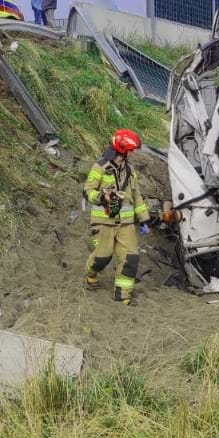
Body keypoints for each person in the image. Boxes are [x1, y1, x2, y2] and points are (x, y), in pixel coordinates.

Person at [82, 129, 151, 306]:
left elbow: (137, 196)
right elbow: (87, 191)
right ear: (122, 149)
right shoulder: (100, 167)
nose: (132, 153)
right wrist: (102, 197)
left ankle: (123, 295)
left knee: (130, 258)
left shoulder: (129, 170)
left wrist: (144, 219)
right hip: (104, 222)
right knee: (102, 257)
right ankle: (90, 274)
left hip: (126, 224)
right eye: (131, 150)